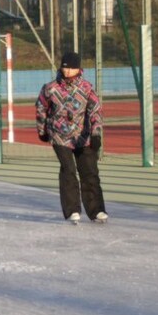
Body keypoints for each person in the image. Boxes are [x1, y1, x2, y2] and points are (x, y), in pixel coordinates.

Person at [35, 51, 107, 225]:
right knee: (68, 170)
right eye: (65, 68)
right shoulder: (50, 88)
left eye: (72, 68)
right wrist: (42, 130)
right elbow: (41, 108)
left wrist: (96, 133)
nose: (67, 72)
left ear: (78, 69)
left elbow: (95, 111)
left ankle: (96, 210)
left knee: (89, 171)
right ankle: (72, 210)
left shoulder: (87, 88)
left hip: (83, 137)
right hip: (60, 136)